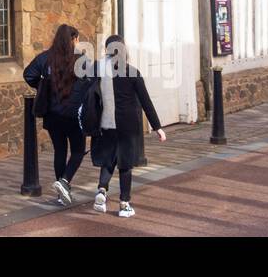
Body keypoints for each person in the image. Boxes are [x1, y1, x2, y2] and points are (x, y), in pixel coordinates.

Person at [90, 34, 166, 218]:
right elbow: (146, 102)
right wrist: (158, 127)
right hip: (127, 126)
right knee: (125, 165)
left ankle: (101, 191)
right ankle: (124, 204)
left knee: (108, 161)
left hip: (106, 124)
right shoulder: (132, 72)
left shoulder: (98, 71)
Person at [22, 24, 90, 205]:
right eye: (76, 39)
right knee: (78, 151)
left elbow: (28, 74)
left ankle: (62, 194)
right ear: (73, 39)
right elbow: (90, 82)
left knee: (60, 151)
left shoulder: (45, 58)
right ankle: (64, 182)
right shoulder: (81, 60)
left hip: (52, 114)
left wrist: (43, 86)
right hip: (74, 114)